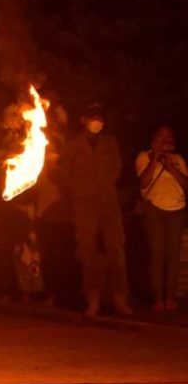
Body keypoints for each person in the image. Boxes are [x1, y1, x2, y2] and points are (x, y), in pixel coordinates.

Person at [62, 102, 132, 317]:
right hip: (84, 203)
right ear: (83, 119)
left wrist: (104, 185)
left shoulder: (110, 142)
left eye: (100, 117)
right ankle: (92, 299)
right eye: (93, 117)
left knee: (116, 249)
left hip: (108, 201)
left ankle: (120, 298)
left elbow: (117, 168)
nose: (97, 121)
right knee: (87, 250)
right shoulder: (73, 145)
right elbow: (65, 173)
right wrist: (79, 190)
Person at [135, 125, 187, 312]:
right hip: (154, 208)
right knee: (157, 254)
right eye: (160, 137)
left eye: (168, 138)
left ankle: (170, 297)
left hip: (177, 209)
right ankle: (158, 299)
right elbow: (143, 182)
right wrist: (155, 158)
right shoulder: (144, 157)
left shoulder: (178, 159)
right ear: (154, 139)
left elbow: (185, 184)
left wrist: (171, 167)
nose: (165, 141)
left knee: (173, 255)